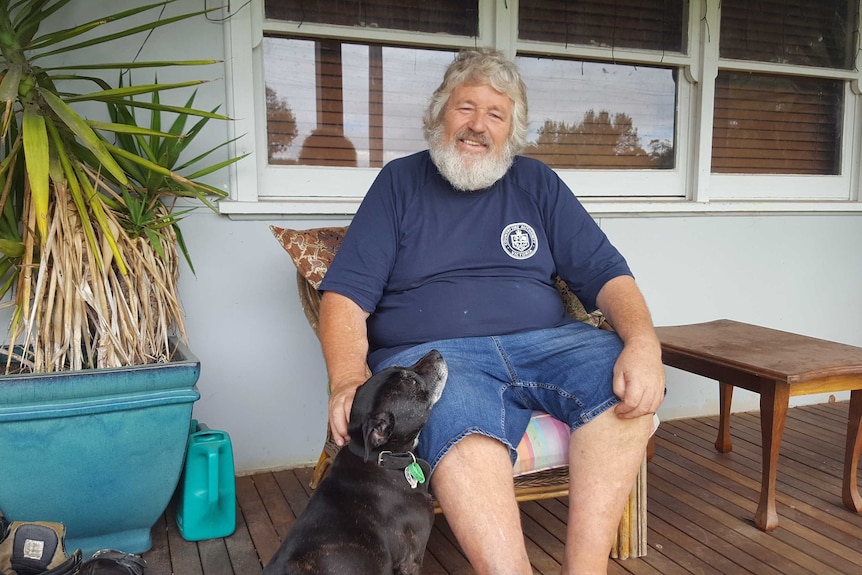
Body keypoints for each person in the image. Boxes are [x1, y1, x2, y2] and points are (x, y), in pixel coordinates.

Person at [317, 48, 665, 575]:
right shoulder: (398, 184)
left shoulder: (537, 184)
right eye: (465, 108)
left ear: (511, 130)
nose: (478, 126)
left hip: (548, 344)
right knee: (454, 415)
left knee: (620, 380)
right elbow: (344, 296)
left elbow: (608, 275)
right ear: (440, 115)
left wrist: (643, 343)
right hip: (439, 358)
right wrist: (346, 378)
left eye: (495, 114)